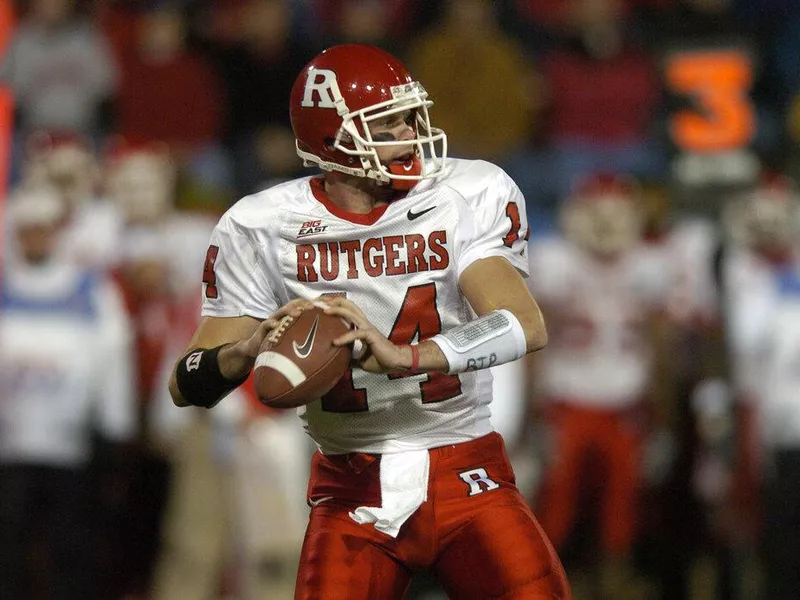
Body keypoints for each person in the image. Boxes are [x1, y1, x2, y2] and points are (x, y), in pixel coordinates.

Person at [168, 43, 571, 599]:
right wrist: (247, 350)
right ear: (333, 139)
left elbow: (523, 325)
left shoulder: (463, 191)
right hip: (351, 484)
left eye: (411, 115)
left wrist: (406, 356)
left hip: (467, 470)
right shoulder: (262, 224)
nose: (411, 131)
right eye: (388, 123)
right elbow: (186, 384)